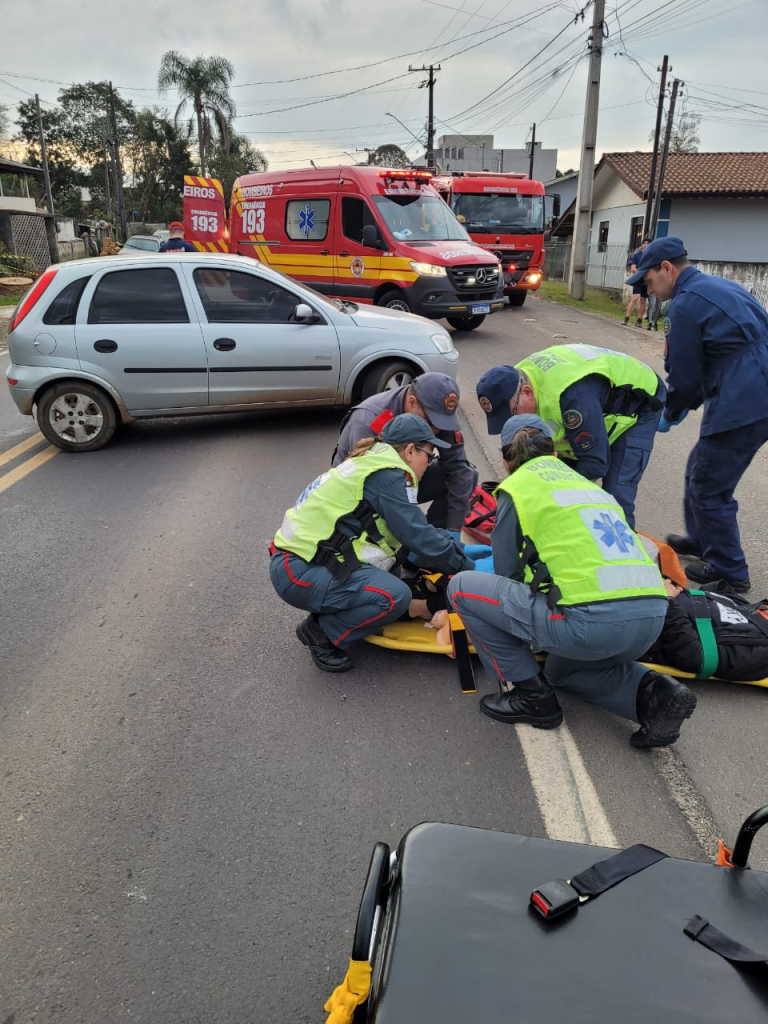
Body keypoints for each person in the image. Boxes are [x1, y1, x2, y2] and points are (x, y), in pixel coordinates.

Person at [446, 414, 697, 748]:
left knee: (462, 589)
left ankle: (532, 697)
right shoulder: (592, 489)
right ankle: (657, 694)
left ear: (506, 462)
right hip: (651, 621)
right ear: (555, 453)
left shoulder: (517, 488)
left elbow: (506, 572)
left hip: (592, 625)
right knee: (561, 670)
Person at [271, 414, 475, 673]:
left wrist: (462, 552)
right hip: (298, 571)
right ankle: (322, 632)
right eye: (429, 454)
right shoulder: (388, 476)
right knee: (394, 596)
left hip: (304, 563)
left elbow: (414, 532)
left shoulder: (375, 464)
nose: (429, 462)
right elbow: (419, 536)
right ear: (410, 451)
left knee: (396, 575)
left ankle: (336, 609)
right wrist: (468, 570)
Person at [628, 236, 768, 594]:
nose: (648, 289)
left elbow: (685, 374)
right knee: (699, 468)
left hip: (744, 399)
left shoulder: (685, 305)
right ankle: (704, 540)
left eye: (649, 280)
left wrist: (671, 412)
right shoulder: (719, 286)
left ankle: (729, 570)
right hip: (753, 390)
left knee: (708, 485)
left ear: (667, 268)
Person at [476, 344, 665, 528]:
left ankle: (624, 542)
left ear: (527, 392)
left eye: (512, 414)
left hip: (641, 401)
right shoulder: (515, 381)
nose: (513, 422)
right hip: (591, 398)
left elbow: (594, 464)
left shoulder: (571, 398)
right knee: (557, 477)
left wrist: (555, 503)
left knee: (617, 491)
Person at [333, 373, 477, 537]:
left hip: (401, 478)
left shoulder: (436, 413)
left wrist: (454, 530)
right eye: (431, 422)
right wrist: (413, 532)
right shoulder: (369, 420)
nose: (437, 430)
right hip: (361, 492)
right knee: (394, 535)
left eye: (441, 422)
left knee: (468, 475)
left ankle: (438, 538)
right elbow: (370, 486)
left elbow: (458, 470)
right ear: (412, 402)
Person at [623, 237, 650, 326]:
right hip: (638, 279)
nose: (646, 245)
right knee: (635, 298)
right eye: (644, 243)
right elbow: (633, 268)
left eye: (648, 243)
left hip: (647, 280)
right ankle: (626, 317)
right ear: (642, 245)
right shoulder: (637, 256)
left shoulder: (651, 257)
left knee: (643, 300)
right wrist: (641, 272)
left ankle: (639, 319)